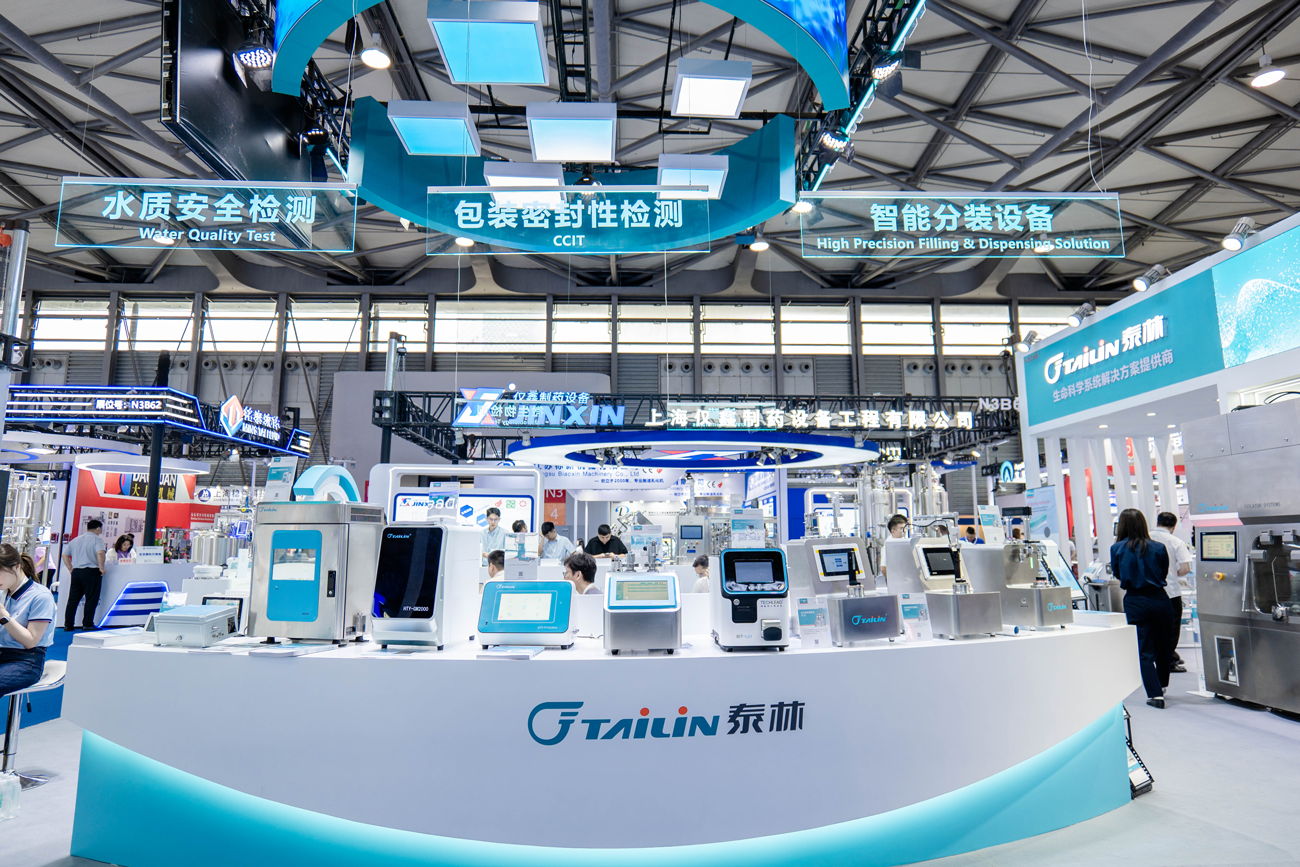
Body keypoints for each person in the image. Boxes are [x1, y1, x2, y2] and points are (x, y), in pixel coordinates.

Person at [1111, 508, 1174, 708]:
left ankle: (1155, 695)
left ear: (1122, 526)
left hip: (1135, 601)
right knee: (1164, 646)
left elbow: (1118, 574)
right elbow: (1163, 573)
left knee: (1144, 648)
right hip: (1160, 599)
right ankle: (1162, 684)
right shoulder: (1159, 547)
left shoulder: (1117, 548)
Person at [0, 543, 56, 698]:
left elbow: (31, 641)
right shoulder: (3, 592)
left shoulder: (41, 596)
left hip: (26, 660)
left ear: (17, 567)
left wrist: (4, 617)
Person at [1149, 511, 1193, 672]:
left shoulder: (1145, 538)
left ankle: (1166, 656)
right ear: (1174, 526)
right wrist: (1174, 574)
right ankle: (1167, 662)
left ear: (1157, 522)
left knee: (1153, 628)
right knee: (1171, 628)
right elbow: (1186, 568)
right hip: (1170, 591)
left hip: (1148, 591)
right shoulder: (1176, 542)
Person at [62, 518, 107, 632]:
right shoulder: (97, 539)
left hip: (77, 572)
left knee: (73, 599)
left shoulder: (75, 540)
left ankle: (68, 624)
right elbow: (100, 553)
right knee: (91, 598)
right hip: (91, 571)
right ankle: (87, 623)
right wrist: (101, 568)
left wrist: (70, 568)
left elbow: (64, 555)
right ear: (98, 528)